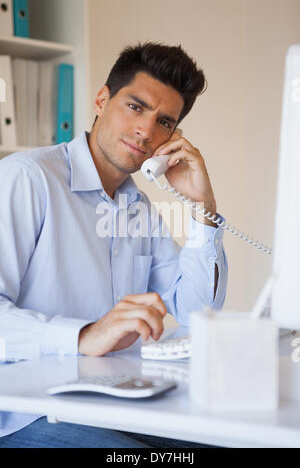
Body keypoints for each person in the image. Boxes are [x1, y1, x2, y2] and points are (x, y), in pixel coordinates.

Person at [0, 42, 228, 448]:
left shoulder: (136, 205)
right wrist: (83, 335)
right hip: (28, 411)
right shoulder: (27, 179)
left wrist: (202, 209)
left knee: (233, 442)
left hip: (114, 397)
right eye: (136, 107)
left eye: (165, 122)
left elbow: (197, 312)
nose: (146, 131)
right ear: (102, 99)